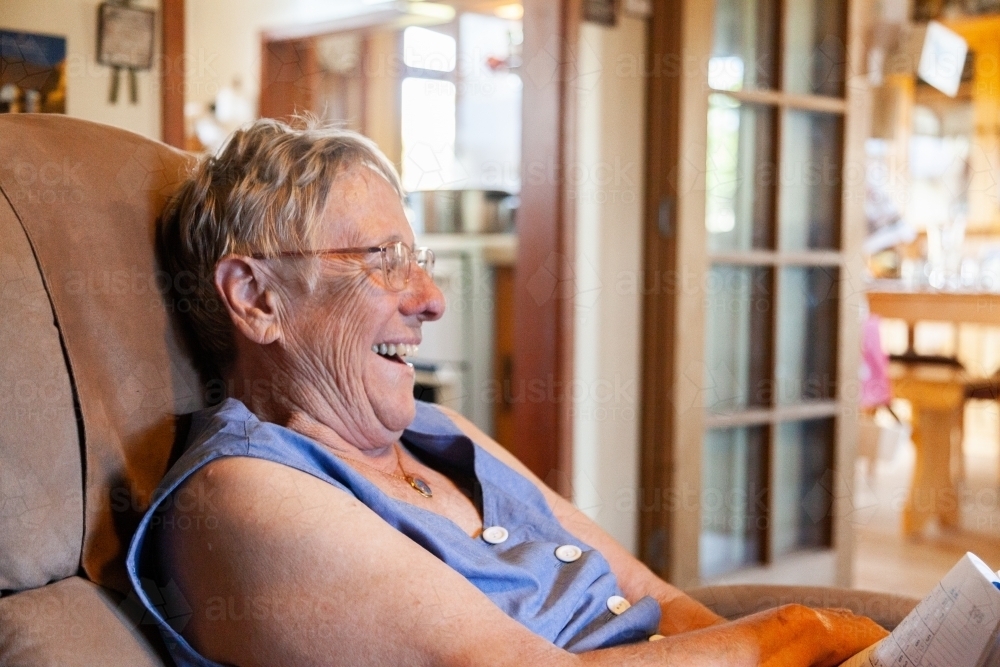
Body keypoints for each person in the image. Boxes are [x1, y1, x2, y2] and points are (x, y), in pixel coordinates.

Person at [127, 118, 887, 667]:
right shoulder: (244, 496)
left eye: (416, 257)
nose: (430, 297)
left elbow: (646, 589)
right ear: (255, 297)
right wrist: (802, 633)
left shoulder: (435, 430)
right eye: (384, 260)